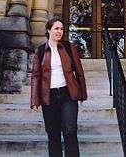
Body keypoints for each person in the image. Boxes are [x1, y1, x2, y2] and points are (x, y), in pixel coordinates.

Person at [30, 17, 87, 157]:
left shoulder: (69, 48)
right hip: (49, 97)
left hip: (68, 94)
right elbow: (35, 76)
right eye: (56, 28)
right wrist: (34, 100)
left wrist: (82, 94)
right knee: (53, 134)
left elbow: (79, 72)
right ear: (49, 30)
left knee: (70, 130)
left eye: (61, 29)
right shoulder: (41, 51)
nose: (59, 31)